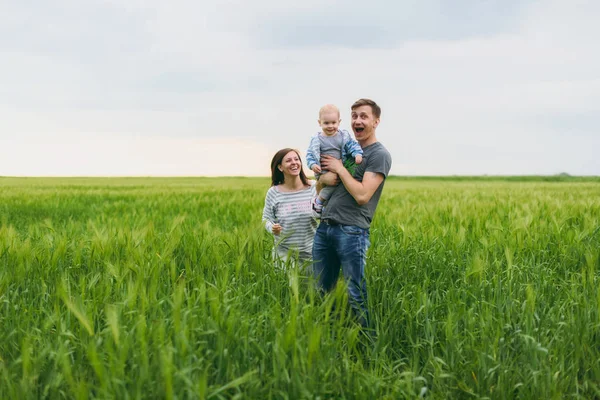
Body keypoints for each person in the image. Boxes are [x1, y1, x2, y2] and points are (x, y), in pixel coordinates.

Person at [312, 98, 392, 328]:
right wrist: (323, 181)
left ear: (376, 121)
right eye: (354, 116)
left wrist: (338, 168)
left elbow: (362, 195)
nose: (357, 120)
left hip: (352, 231)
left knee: (354, 293)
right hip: (325, 226)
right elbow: (324, 186)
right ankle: (329, 338)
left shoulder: (379, 154)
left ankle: (367, 346)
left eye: (363, 116)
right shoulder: (346, 151)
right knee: (321, 292)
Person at [262, 148, 318, 267]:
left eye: (296, 159)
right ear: (280, 167)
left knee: (312, 286)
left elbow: (323, 212)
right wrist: (271, 227)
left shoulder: (313, 187)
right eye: (288, 160)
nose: (294, 162)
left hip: (311, 253)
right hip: (284, 252)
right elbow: (266, 218)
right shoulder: (273, 192)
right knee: (288, 284)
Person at [306, 104, 363, 213]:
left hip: (339, 168)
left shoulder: (343, 136)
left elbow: (352, 145)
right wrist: (313, 165)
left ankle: (319, 203)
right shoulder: (316, 139)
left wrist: (357, 154)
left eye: (333, 122)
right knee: (328, 186)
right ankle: (319, 204)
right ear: (319, 123)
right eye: (326, 123)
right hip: (323, 170)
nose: (330, 126)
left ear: (339, 122)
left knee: (336, 187)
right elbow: (310, 154)